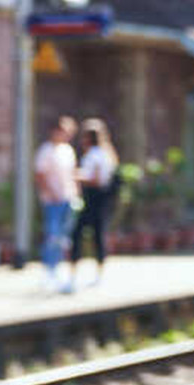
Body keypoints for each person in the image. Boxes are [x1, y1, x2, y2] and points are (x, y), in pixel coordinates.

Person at [67, 117, 118, 292]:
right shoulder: (107, 154)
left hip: (93, 198)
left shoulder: (95, 155)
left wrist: (77, 176)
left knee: (78, 234)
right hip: (102, 199)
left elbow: (95, 179)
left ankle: (74, 274)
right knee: (98, 235)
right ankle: (98, 274)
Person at [33, 115, 78, 290]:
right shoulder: (46, 150)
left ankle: (58, 268)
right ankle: (48, 271)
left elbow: (72, 173)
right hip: (53, 200)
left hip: (69, 198)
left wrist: (76, 193)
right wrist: (51, 193)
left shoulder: (68, 150)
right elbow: (40, 174)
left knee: (64, 237)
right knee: (52, 235)